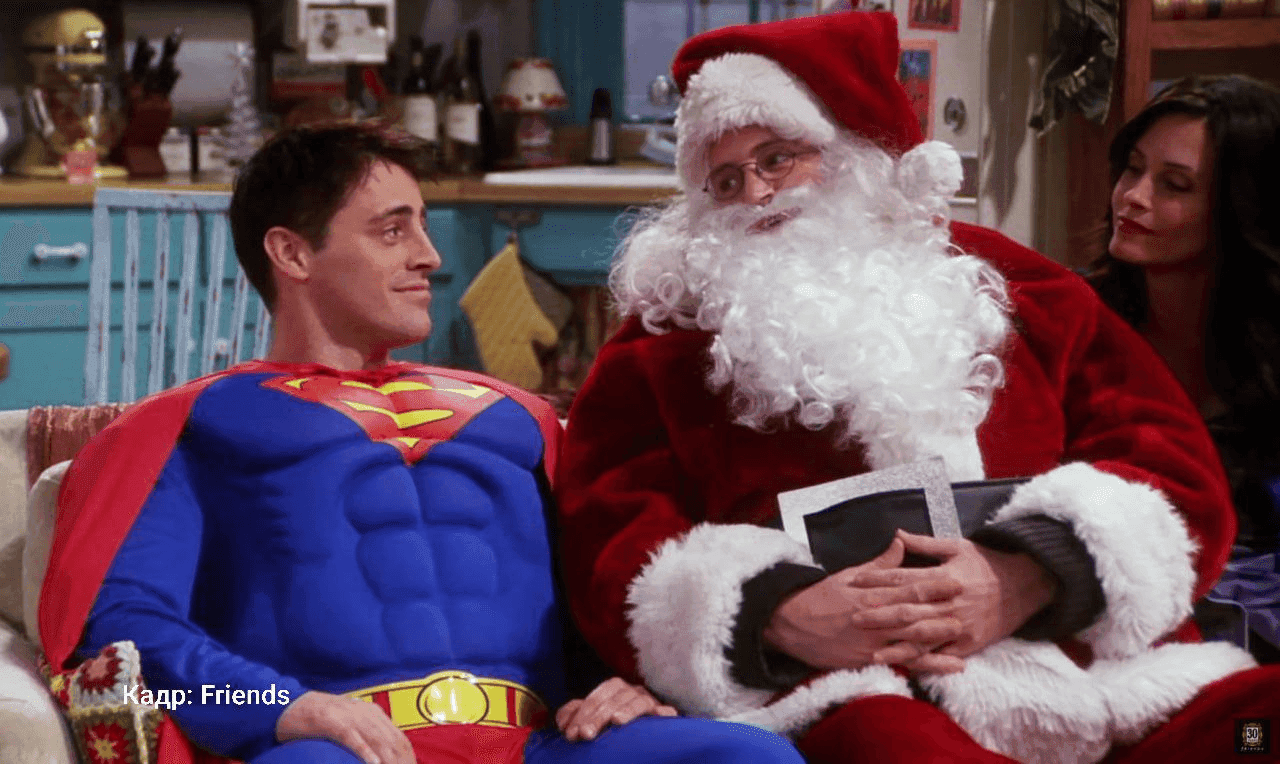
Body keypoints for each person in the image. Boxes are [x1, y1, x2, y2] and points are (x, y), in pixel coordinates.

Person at [554, 12, 1280, 764]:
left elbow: (1174, 470)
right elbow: (613, 541)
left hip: (1099, 676)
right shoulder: (661, 346)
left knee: (1262, 727)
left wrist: (1029, 574)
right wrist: (774, 614)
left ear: (851, 156)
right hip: (864, 693)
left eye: (777, 159)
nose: (756, 196)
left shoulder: (1023, 288)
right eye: (725, 181)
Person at [36, 123, 807, 764]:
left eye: (424, 227)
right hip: (344, 751)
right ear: (293, 254)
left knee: (749, 757)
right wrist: (282, 708)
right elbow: (127, 632)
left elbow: (606, 582)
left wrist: (628, 680)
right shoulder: (186, 425)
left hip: (542, 744)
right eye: (392, 230)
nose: (429, 257)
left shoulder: (519, 416)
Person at [1085, 74, 1280, 664]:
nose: (1133, 197)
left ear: (1241, 207)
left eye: (1174, 185)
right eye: (1132, 169)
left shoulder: (1267, 358)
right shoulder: (1077, 321)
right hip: (1098, 625)